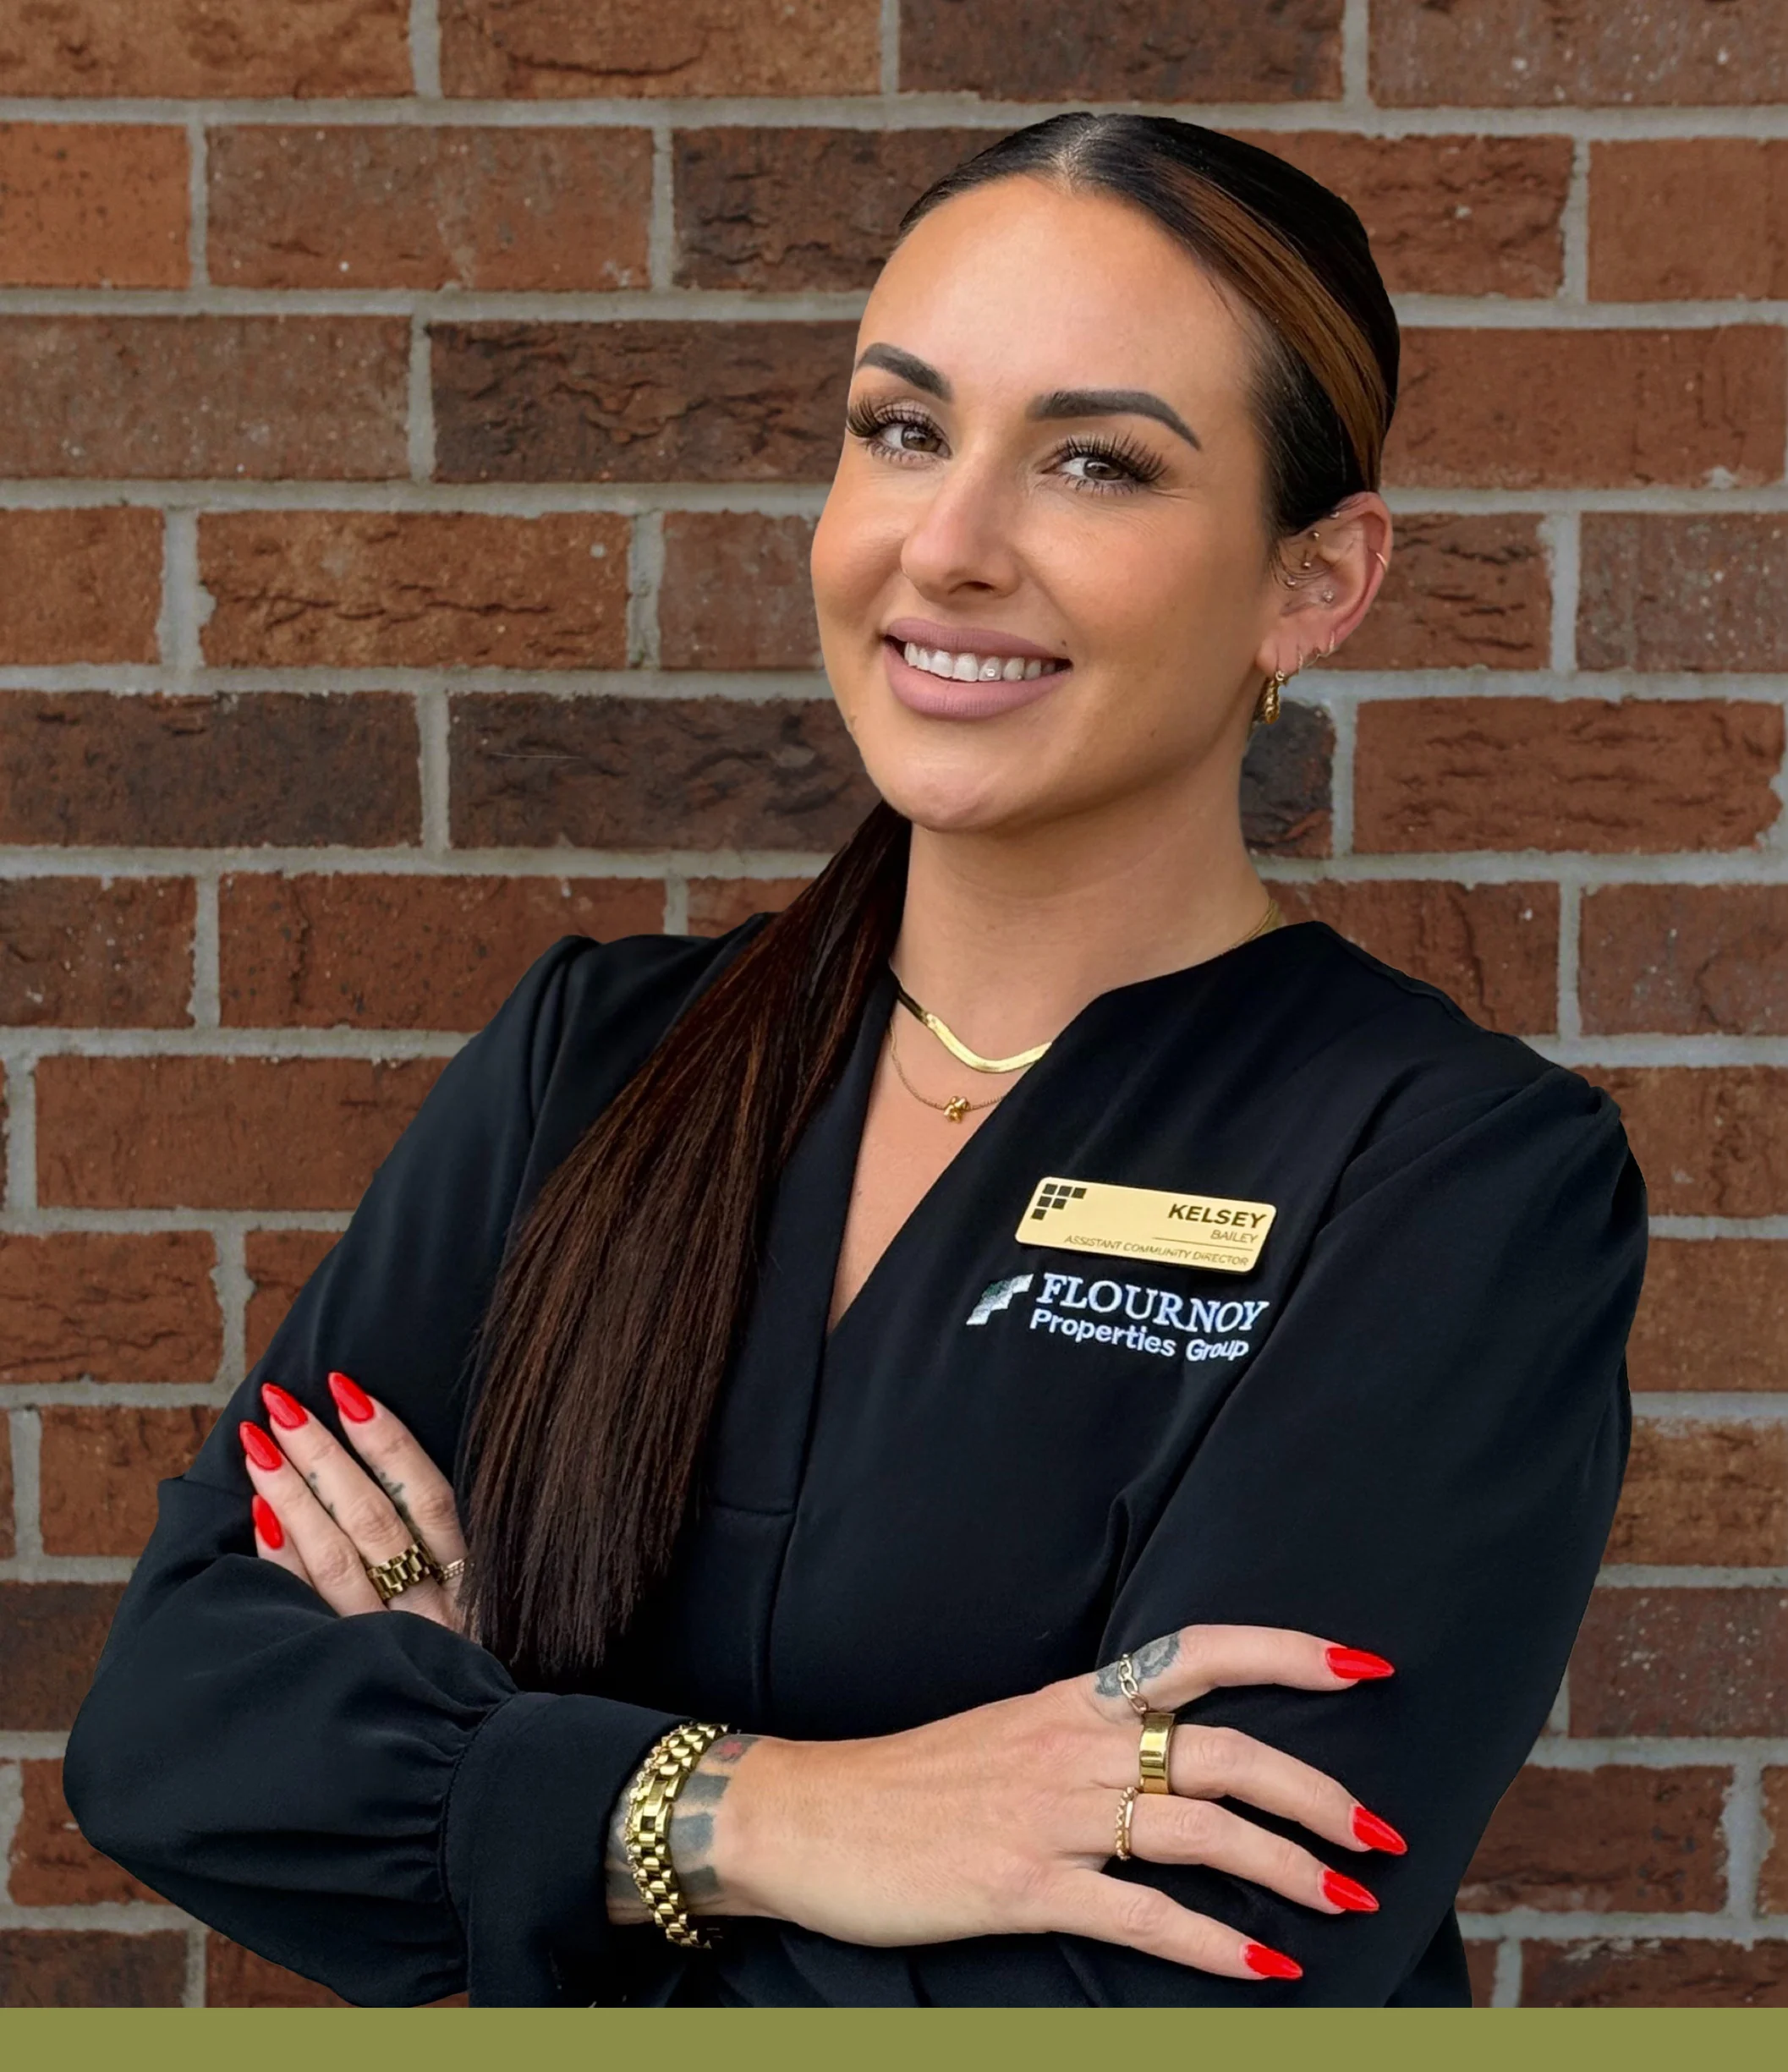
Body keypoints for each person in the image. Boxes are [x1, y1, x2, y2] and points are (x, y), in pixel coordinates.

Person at [63, 112, 1646, 2009]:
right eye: (901, 430)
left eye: (1095, 461)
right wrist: (777, 1815)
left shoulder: (1447, 1177)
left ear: (1311, 584)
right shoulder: (598, 1062)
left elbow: (1173, 1990)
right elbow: (172, 1728)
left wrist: (482, 1769)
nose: (948, 545)